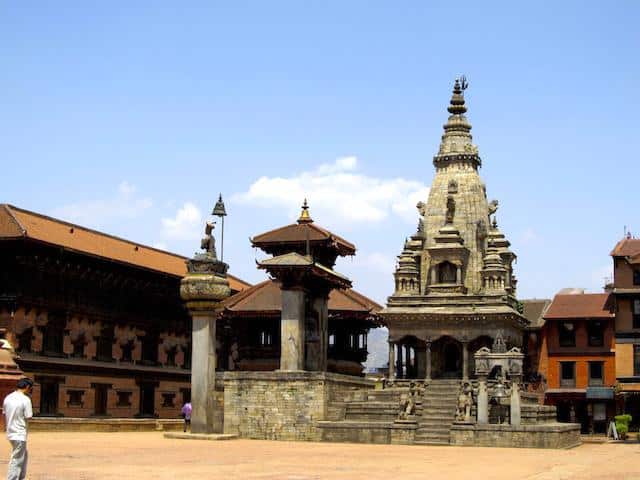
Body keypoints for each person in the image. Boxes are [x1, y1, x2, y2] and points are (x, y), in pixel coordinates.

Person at [3, 378, 34, 480]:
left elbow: (4, 413)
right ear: (27, 387)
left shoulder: (8, 398)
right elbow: (29, 416)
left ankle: (21, 476)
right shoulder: (25, 399)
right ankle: (12, 478)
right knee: (16, 458)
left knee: (24, 455)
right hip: (19, 433)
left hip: (10, 432)